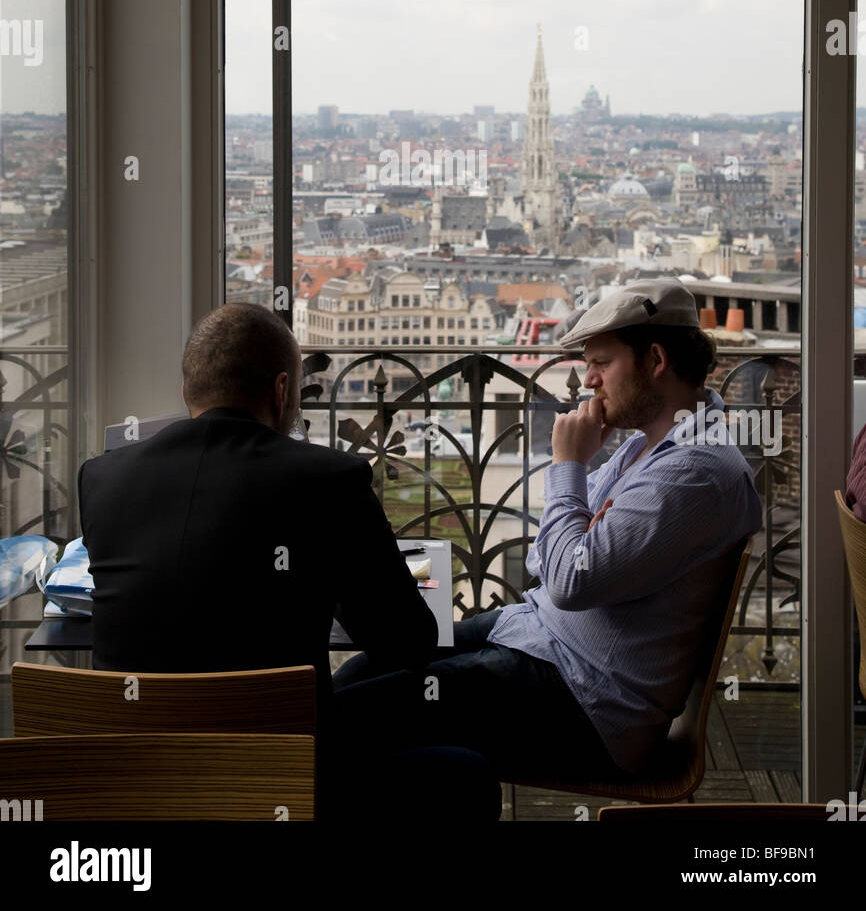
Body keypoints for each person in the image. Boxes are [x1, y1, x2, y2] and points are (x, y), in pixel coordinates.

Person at [78, 302, 501, 821]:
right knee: (469, 775)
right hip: (285, 780)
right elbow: (405, 642)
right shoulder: (330, 480)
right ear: (281, 391)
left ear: (187, 391)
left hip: (136, 782)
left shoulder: (101, 479)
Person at [331, 278, 764, 783]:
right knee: (365, 670)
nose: (589, 382)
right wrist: (577, 531)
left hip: (585, 700)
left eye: (601, 364)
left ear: (655, 361)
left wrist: (570, 467)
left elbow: (567, 579)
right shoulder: (651, 444)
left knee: (351, 716)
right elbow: (547, 559)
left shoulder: (693, 472)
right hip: (540, 641)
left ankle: (444, 794)